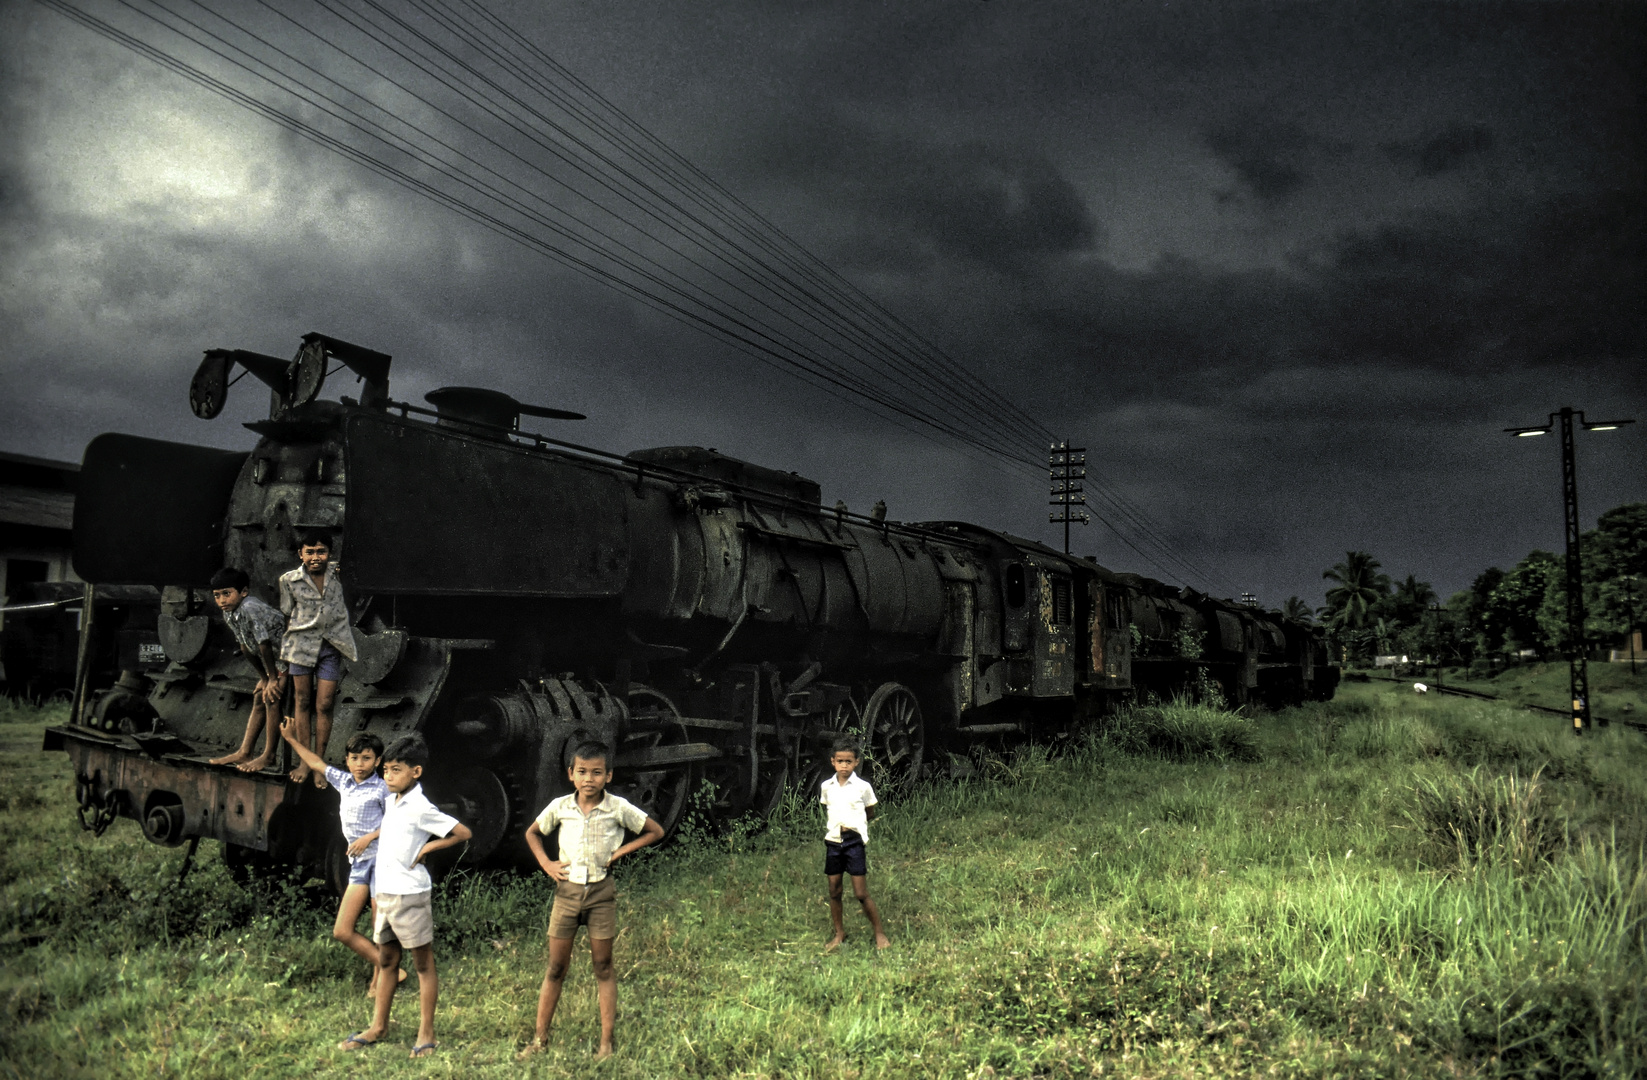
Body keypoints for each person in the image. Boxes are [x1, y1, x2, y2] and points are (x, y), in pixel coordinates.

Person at [519, 741, 664, 1061]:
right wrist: (547, 864)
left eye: (597, 773)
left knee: (603, 966)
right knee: (556, 967)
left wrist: (619, 853)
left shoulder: (618, 807)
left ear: (608, 775)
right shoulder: (560, 806)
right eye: (582, 772)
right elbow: (532, 833)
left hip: (601, 894)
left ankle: (606, 1044)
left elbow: (655, 831)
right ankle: (540, 1040)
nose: (589, 779)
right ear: (571, 774)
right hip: (567, 894)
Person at [338, 733, 471, 1059]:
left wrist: (428, 846)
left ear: (416, 772)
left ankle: (427, 1034)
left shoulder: (421, 807)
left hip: (410, 895)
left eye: (396, 770)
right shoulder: (391, 801)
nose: (388, 776)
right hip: (384, 893)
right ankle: (378, 1026)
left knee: (423, 964)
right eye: (386, 770)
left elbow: (462, 833)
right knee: (386, 960)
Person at [277, 720, 404, 998]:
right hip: (359, 865)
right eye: (355, 758)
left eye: (367, 758)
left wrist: (369, 837)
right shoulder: (344, 781)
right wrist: (290, 738)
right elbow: (314, 762)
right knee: (342, 930)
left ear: (377, 760)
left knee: (378, 928)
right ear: (347, 759)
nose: (360, 764)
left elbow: (399, 822)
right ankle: (390, 969)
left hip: (382, 861)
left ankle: (379, 983)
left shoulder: (383, 789)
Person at [277, 528, 358, 787]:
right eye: (309, 552)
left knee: (324, 704)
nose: (315, 557)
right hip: (301, 646)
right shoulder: (288, 580)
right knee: (302, 702)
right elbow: (287, 615)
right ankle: (305, 761)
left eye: (321, 551)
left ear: (329, 554)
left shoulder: (338, 575)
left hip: (330, 647)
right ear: (300, 554)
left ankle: (319, 764)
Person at [205, 567, 287, 773]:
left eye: (227, 594)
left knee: (271, 698)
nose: (222, 600)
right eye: (217, 596)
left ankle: (269, 755)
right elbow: (246, 648)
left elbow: (264, 644)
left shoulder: (249, 607)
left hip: (289, 654)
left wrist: (272, 679)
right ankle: (245, 751)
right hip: (275, 661)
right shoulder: (230, 614)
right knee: (259, 696)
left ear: (243, 592)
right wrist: (263, 678)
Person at [821, 740, 891, 950]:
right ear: (833, 762)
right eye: (840, 761)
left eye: (848, 761)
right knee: (834, 889)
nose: (844, 766)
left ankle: (879, 933)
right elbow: (828, 808)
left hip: (854, 843)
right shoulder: (827, 786)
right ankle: (839, 933)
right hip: (833, 842)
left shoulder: (863, 787)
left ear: (856, 763)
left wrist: (856, 828)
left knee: (860, 893)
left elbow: (870, 812)